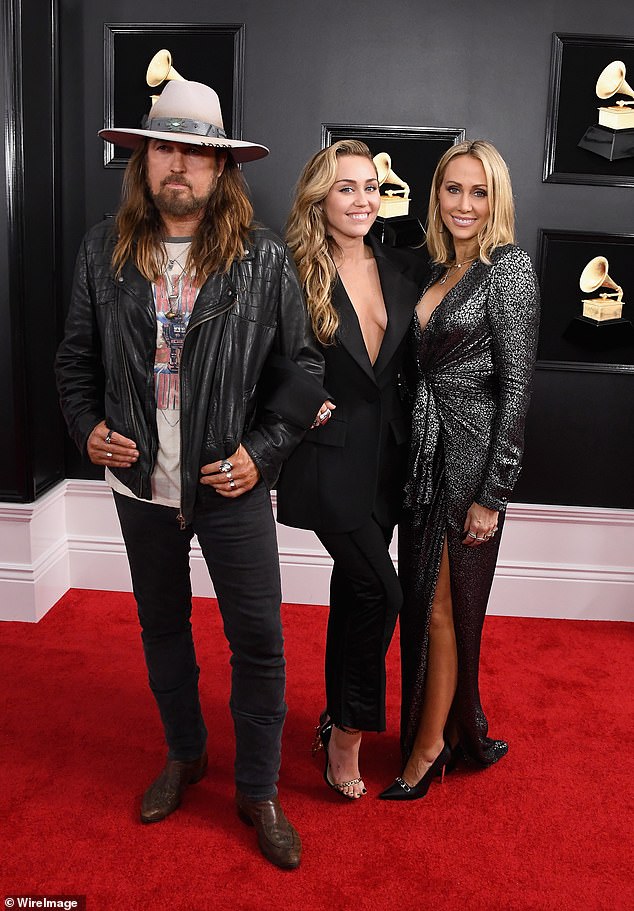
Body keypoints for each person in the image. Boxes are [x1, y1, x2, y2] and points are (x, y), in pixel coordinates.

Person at [55, 79, 326, 867]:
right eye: (164, 148)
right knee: (162, 628)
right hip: (141, 488)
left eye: (197, 152)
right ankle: (185, 753)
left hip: (228, 485)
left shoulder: (263, 257)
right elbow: (76, 361)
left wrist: (261, 452)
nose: (180, 166)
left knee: (260, 641)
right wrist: (89, 428)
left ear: (221, 168)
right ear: (142, 160)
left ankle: (259, 785)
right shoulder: (102, 250)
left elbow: (303, 373)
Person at [379, 139, 540, 801]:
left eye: (479, 192)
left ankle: (429, 745)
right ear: (436, 194)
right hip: (424, 457)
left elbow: (518, 389)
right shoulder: (434, 269)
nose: (465, 204)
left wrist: (493, 493)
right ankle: (446, 724)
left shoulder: (510, 269)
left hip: (471, 457)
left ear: (495, 199)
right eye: (454, 189)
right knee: (422, 602)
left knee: (445, 608)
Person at [276, 140, 426, 799]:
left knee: (355, 594)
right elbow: (258, 355)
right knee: (384, 592)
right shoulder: (288, 268)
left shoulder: (399, 265)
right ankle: (347, 734)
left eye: (372, 186)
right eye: (346, 187)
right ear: (319, 197)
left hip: (387, 463)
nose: (363, 199)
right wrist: (303, 402)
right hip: (327, 459)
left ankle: (336, 710)